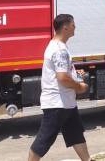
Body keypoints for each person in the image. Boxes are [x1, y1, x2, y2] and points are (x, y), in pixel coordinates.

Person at [28, 14, 91, 161]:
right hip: (58, 104)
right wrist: (80, 87)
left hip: (66, 103)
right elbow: (62, 78)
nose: (75, 27)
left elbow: (64, 73)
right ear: (65, 27)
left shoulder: (60, 47)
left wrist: (75, 74)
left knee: (76, 134)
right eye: (73, 24)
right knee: (43, 141)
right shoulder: (59, 50)